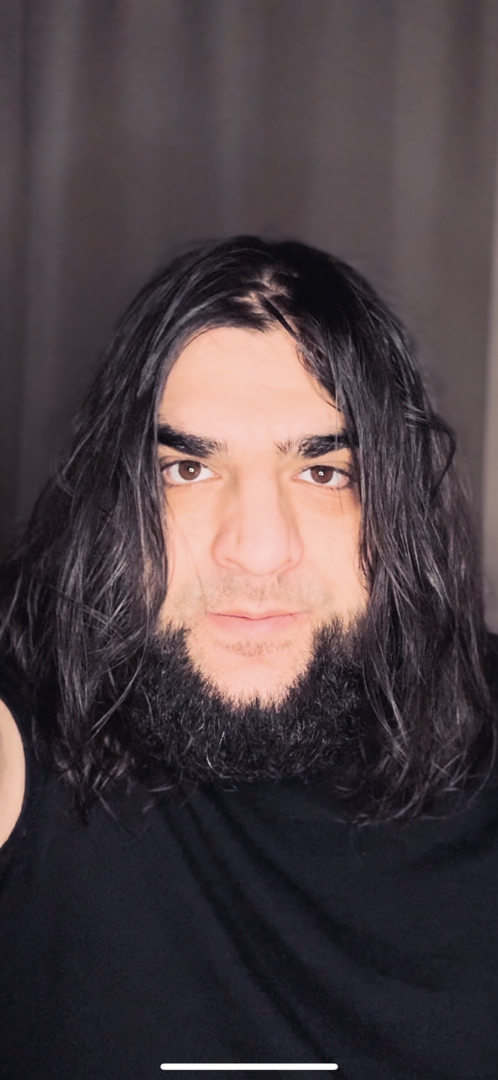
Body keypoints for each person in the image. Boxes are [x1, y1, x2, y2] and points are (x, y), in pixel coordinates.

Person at [0, 236, 497, 1080]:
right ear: (114, 503)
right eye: (187, 469)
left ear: (399, 505)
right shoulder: (29, 722)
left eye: (325, 472)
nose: (259, 551)